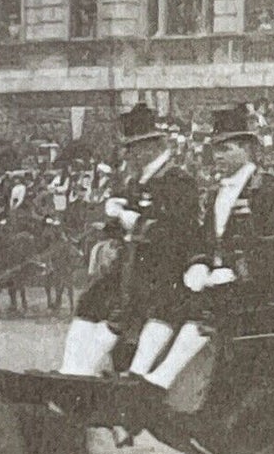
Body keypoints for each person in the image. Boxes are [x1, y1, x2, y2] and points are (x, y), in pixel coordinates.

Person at [142, 104, 274, 392]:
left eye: (226, 148)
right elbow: (204, 238)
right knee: (167, 298)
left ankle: (164, 377)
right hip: (219, 280)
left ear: (246, 150)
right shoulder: (216, 192)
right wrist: (199, 264)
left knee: (206, 308)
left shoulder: (269, 189)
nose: (218, 156)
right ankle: (141, 373)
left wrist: (236, 272)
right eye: (216, 149)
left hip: (258, 286)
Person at [61, 103, 201, 377]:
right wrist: (111, 226)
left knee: (123, 310)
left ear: (149, 148)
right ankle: (74, 370)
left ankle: (125, 375)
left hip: (165, 271)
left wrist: (132, 221)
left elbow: (178, 233)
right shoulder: (137, 182)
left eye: (131, 149)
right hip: (132, 269)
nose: (126, 155)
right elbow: (118, 229)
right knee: (91, 300)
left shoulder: (178, 181)